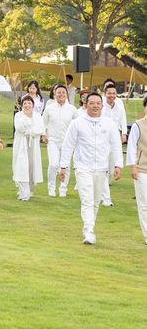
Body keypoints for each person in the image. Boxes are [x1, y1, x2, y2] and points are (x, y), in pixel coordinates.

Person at [59, 92, 123, 245]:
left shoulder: (109, 123)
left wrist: (118, 165)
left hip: (101, 168)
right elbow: (68, 145)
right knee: (87, 199)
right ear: (86, 104)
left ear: (102, 105)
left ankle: (89, 227)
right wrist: (63, 166)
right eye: (92, 103)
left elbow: (116, 145)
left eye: (98, 103)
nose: (95, 106)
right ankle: (89, 230)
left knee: (95, 201)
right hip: (83, 167)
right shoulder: (77, 123)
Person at [42, 84, 78, 197]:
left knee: (65, 166)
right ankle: (51, 187)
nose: (61, 94)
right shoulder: (49, 108)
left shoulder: (72, 109)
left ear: (66, 94)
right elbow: (43, 123)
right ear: (55, 94)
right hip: (52, 140)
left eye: (63, 92)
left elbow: (77, 125)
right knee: (53, 164)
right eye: (59, 92)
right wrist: (44, 134)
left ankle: (63, 188)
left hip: (67, 142)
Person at [13, 95, 45, 201]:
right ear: (22, 105)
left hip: (33, 145)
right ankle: (23, 193)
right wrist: (29, 129)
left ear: (33, 105)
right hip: (21, 144)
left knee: (32, 166)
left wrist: (31, 131)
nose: (27, 105)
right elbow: (19, 128)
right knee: (21, 166)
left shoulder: (37, 116)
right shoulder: (18, 115)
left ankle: (30, 190)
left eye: (29, 103)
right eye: (25, 103)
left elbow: (40, 129)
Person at [101, 84, 127, 207]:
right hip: (102, 140)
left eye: (113, 93)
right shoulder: (100, 106)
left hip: (115, 139)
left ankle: (102, 188)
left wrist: (124, 133)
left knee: (111, 170)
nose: (111, 95)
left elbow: (123, 120)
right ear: (105, 94)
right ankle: (106, 198)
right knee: (103, 169)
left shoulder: (119, 106)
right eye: (109, 93)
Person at [126, 97, 147, 245]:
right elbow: (131, 146)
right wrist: (133, 166)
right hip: (141, 169)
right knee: (144, 203)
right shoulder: (138, 125)